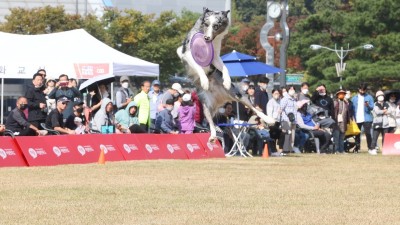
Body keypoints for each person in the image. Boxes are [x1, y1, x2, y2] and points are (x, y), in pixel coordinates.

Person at [351, 83, 374, 153]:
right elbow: (351, 108)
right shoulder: (354, 98)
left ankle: (370, 148)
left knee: (368, 133)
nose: (362, 91)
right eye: (361, 90)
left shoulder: (369, 97)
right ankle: (357, 148)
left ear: (366, 90)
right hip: (357, 118)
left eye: (364, 90)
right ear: (358, 89)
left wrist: (367, 105)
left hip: (367, 118)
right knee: (357, 134)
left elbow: (372, 107)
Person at [370, 90, 390, 155]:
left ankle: (385, 149)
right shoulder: (375, 104)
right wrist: (384, 111)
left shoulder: (386, 104)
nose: (381, 97)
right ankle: (372, 149)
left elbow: (389, 111)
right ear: (377, 97)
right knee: (375, 137)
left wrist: (384, 111)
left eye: (382, 96)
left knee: (385, 138)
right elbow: (377, 112)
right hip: (377, 123)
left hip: (385, 124)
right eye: (379, 96)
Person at [280, 85, 298, 153]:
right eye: (290, 89)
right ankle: (285, 149)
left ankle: (291, 148)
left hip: (293, 120)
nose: (292, 90)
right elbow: (281, 109)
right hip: (286, 120)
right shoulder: (285, 99)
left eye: (293, 89)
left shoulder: (294, 99)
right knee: (287, 135)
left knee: (292, 136)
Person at [332, 89, 351, 154]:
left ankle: (342, 150)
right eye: (340, 94)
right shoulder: (335, 102)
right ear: (337, 95)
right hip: (336, 122)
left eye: (343, 94)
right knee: (336, 137)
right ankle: (336, 150)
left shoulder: (346, 103)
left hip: (344, 122)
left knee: (342, 138)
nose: (342, 95)